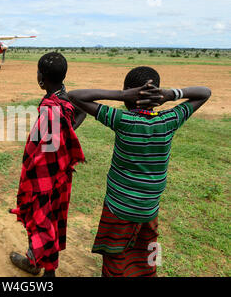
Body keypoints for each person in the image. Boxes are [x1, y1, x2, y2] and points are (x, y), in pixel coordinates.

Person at [67, 66, 211, 277]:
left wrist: (121, 95)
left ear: (128, 93)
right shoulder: (169, 120)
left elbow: (74, 96)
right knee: (146, 251)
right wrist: (170, 95)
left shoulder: (123, 120)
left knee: (115, 255)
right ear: (158, 95)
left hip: (119, 207)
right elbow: (205, 92)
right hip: (150, 207)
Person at [9, 52, 86, 277]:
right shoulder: (65, 99)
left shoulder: (50, 107)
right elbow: (81, 113)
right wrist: (67, 130)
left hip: (43, 178)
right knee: (51, 217)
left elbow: (41, 147)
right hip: (60, 174)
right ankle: (37, 261)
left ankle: (43, 269)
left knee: (41, 218)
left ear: (41, 78)